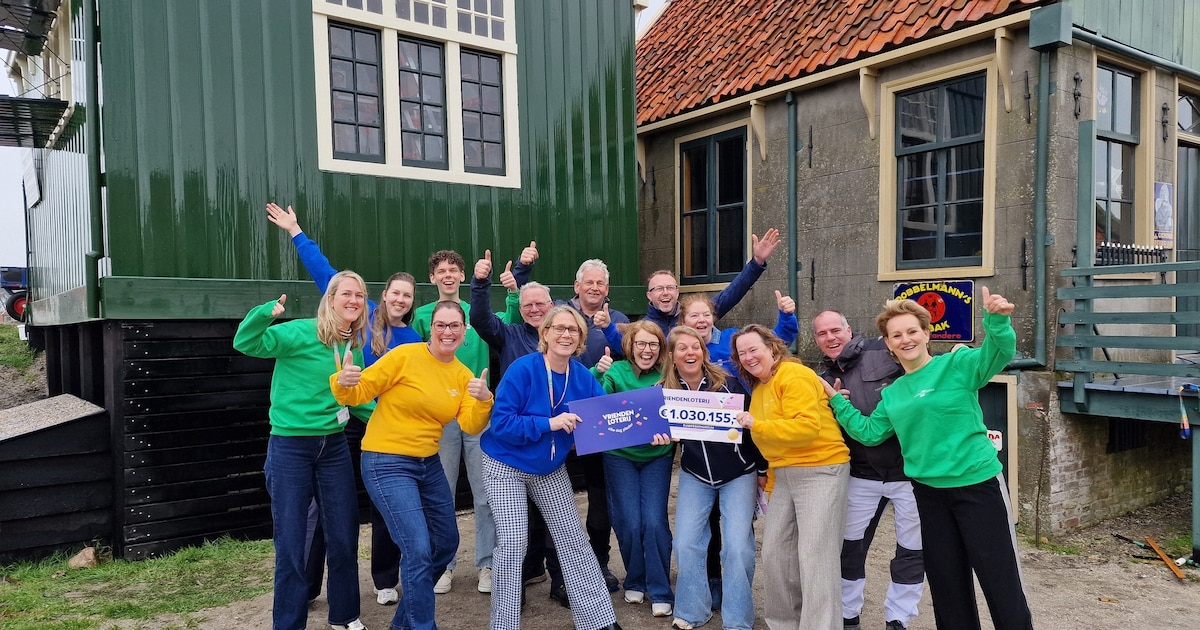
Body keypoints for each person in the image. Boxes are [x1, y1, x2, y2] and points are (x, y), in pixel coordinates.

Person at [822, 288, 1034, 630]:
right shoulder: (893, 394)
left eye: (911, 331)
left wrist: (996, 319)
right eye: (896, 335)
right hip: (928, 494)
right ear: (888, 344)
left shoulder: (958, 364)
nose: (905, 339)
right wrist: (837, 401)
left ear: (926, 334)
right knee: (947, 584)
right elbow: (868, 432)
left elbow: (999, 352)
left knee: (1000, 580)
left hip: (978, 487)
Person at [266, 202, 421, 606]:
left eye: (408, 296)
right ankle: (308, 587)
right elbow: (326, 272)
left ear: (412, 302)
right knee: (320, 509)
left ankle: (384, 578)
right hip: (338, 421)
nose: (400, 300)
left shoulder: (413, 339)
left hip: (376, 419)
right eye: (395, 293)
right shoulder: (360, 314)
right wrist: (296, 231)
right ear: (383, 296)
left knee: (378, 497)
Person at [331, 301, 494, 630]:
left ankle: (403, 624)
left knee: (446, 542)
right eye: (440, 325)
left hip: (427, 462)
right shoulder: (405, 355)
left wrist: (484, 399)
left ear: (465, 332)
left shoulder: (463, 375)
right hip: (386, 460)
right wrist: (344, 380)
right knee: (418, 549)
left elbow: (471, 425)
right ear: (430, 328)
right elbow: (359, 392)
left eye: (454, 326)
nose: (447, 332)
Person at [233, 272, 371, 630]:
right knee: (292, 542)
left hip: (334, 445)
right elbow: (245, 342)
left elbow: (354, 400)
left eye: (359, 295)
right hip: (291, 446)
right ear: (331, 297)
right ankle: (289, 624)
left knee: (344, 533)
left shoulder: (352, 344)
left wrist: (398, 419)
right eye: (346, 294)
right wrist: (267, 313)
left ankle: (344, 615)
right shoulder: (300, 331)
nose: (353, 300)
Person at [481, 305, 626, 630]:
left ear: (580, 339)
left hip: (547, 468)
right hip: (505, 463)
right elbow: (501, 424)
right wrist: (550, 424)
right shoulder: (523, 369)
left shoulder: (581, 376)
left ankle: (599, 620)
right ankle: (503, 624)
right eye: (558, 328)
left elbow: (607, 421)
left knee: (573, 539)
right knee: (514, 541)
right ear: (544, 333)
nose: (565, 334)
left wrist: (649, 430)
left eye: (572, 330)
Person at [513, 254, 626, 597]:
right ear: (576, 286)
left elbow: (634, 355)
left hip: (594, 424)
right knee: (551, 503)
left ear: (607, 289)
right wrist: (522, 270)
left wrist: (608, 329)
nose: (594, 287)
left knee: (598, 498)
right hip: (555, 426)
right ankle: (551, 569)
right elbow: (527, 302)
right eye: (588, 282)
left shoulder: (617, 319)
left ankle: (598, 562)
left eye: (600, 283)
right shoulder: (559, 312)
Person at [732, 324, 850, 630]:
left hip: (821, 468)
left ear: (771, 348)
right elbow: (774, 445)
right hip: (784, 474)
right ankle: (784, 624)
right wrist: (770, 480)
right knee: (775, 554)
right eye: (742, 353)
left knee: (815, 559)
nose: (748, 357)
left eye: (753, 349)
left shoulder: (793, 374)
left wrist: (756, 425)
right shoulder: (759, 388)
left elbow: (806, 428)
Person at [812, 310, 923, 630]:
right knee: (849, 547)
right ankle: (848, 615)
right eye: (822, 334)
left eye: (836, 330)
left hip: (908, 472)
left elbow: (925, 371)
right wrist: (831, 405)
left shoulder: (886, 347)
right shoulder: (820, 375)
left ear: (850, 330)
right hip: (861, 473)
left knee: (912, 547)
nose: (830, 338)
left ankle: (899, 617)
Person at [663, 326, 765, 630]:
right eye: (682, 348)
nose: (690, 353)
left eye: (695, 347)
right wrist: (659, 437)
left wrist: (761, 469)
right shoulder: (665, 392)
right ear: (672, 356)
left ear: (704, 352)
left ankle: (737, 620)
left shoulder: (730, 385)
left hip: (738, 473)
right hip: (695, 473)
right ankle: (694, 611)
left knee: (737, 548)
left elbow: (753, 432)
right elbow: (660, 433)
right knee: (685, 544)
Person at [412, 249, 500, 594]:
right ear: (432, 278)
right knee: (441, 492)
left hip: (477, 410)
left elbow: (513, 318)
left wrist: (513, 282)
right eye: (441, 270)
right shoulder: (421, 316)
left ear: (462, 276)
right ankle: (444, 564)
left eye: (454, 270)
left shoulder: (477, 312)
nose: (447, 275)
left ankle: (487, 564)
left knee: (485, 494)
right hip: (439, 415)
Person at [594, 320, 675, 618]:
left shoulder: (668, 374)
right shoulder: (615, 371)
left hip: (658, 454)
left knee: (654, 522)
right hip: (619, 456)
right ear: (630, 345)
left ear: (660, 348)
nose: (647, 349)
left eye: (653, 344)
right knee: (629, 522)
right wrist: (597, 371)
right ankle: (635, 579)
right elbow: (594, 404)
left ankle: (660, 588)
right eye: (641, 343)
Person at [643, 228, 781, 335]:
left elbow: (733, 291)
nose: (666, 293)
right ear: (649, 295)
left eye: (670, 288)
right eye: (659, 289)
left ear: (677, 292)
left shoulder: (699, 313)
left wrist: (757, 262)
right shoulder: (641, 328)